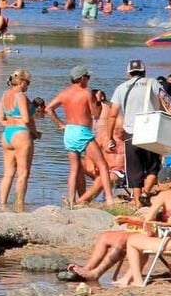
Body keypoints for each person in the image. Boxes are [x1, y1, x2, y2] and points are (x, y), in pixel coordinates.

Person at [113, 175, 171, 287]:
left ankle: (137, 280)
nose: (157, 187)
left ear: (164, 183)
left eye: (158, 184)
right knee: (142, 243)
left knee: (132, 241)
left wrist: (149, 230)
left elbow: (148, 220)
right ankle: (127, 278)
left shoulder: (164, 195)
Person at [47, 65, 119, 206]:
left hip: (69, 131)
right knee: (103, 165)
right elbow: (95, 114)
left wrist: (60, 124)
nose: (88, 80)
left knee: (74, 168)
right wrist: (98, 101)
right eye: (87, 77)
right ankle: (109, 198)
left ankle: (71, 200)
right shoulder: (86, 93)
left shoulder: (64, 93)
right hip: (82, 131)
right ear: (81, 79)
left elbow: (48, 109)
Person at [107, 59, 165, 205]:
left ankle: (138, 202)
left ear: (128, 73)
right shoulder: (152, 83)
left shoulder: (121, 88)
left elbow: (112, 114)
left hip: (130, 133)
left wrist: (109, 137)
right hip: (150, 131)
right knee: (154, 167)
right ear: (144, 72)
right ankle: (146, 192)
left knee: (134, 169)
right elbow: (166, 101)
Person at [0, 70, 40, 210]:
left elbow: (0, 118)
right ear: (21, 82)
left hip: (7, 134)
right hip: (21, 134)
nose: (28, 86)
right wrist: (34, 133)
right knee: (23, 173)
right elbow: (26, 119)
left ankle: (2, 204)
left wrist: (11, 124)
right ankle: (19, 205)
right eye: (28, 83)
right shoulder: (20, 96)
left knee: (8, 173)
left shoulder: (4, 95)